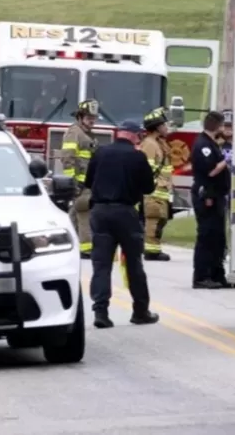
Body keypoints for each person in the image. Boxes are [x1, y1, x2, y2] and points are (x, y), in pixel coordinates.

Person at [84, 119, 159, 329]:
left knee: (101, 265)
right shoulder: (137, 157)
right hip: (125, 213)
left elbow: (89, 182)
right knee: (134, 263)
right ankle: (140, 311)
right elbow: (148, 188)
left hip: (100, 212)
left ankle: (100, 312)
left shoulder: (100, 153)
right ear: (134, 135)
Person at [190, 111, 232, 289]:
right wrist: (227, 161)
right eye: (223, 125)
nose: (224, 129)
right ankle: (201, 276)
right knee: (207, 236)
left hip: (217, 195)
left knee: (218, 237)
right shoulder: (203, 145)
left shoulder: (213, 144)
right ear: (216, 126)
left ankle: (217, 274)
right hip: (207, 195)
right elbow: (211, 171)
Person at [61, 100, 99, 258]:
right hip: (80, 183)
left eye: (94, 118)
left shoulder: (85, 134)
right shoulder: (74, 133)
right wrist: (73, 182)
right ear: (80, 117)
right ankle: (86, 248)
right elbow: (68, 158)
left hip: (87, 182)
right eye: (89, 117)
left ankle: (66, 243)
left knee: (75, 212)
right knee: (84, 211)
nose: (92, 121)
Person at [139, 107, 174, 262]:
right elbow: (146, 170)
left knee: (160, 220)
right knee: (153, 220)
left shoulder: (159, 143)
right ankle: (151, 251)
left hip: (161, 190)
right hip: (153, 192)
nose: (167, 128)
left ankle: (154, 248)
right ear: (157, 127)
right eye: (164, 125)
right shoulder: (149, 144)